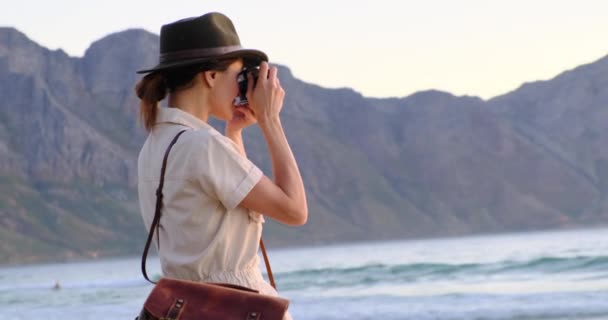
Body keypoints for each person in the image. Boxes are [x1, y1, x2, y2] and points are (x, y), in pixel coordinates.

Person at [135, 12, 307, 319]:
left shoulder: (156, 144)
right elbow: (295, 210)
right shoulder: (203, 145)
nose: (242, 89)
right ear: (211, 76)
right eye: (239, 77)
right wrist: (270, 120)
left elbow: (222, 204)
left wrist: (235, 132)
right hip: (234, 307)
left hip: (190, 307)